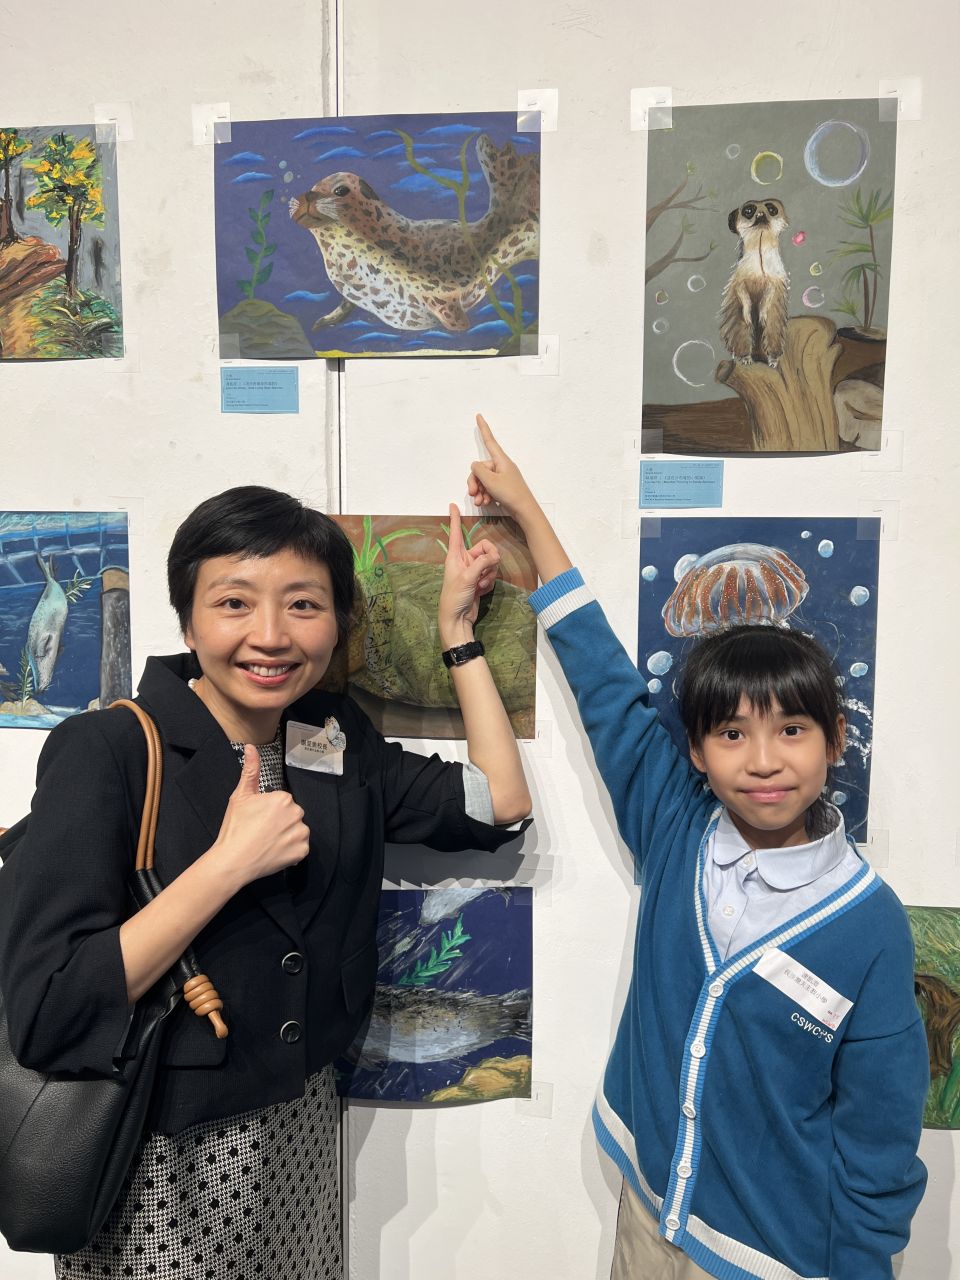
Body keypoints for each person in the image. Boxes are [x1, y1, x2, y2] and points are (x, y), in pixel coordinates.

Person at [0, 485, 531, 1280]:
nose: (272, 635)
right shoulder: (107, 749)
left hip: (298, 1131)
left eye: (304, 604)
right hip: (157, 1156)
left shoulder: (331, 736)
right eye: (234, 602)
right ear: (188, 621)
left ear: (338, 622)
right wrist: (226, 865)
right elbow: (50, 1009)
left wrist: (457, 633)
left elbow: (500, 803)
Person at [466, 417, 928, 1280]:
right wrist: (526, 511)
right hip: (647, 1213)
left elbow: (881, 1138)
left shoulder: (870, 927)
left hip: (773, 1256)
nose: (763, 761)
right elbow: (604, 680)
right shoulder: (675, 825)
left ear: (835, 740)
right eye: (732, 734)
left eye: (792, 730)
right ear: (696, 750)